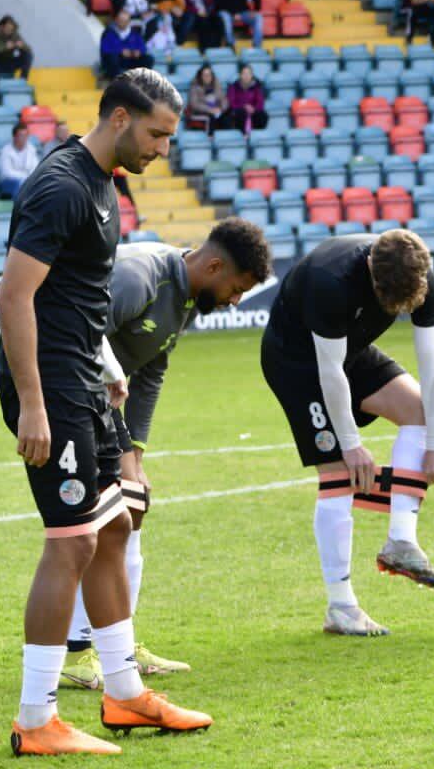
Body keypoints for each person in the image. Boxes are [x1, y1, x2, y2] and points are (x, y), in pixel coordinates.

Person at [0, 69, 208, 756]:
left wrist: (110, 368)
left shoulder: (104, 184)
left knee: (114, 525)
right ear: (119, 117)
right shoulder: (61, 186)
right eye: (155, 133)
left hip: (85, 381)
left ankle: (123, 693)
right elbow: (15, 297)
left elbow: (78, 296)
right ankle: (36, 720)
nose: (161, 150)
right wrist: (33, 403)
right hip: (51, 390)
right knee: (72, 541)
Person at [59, 222, 273, 690]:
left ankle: (120, 642)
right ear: (213, 266)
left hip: (101, 401)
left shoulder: (189, 297)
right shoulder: (139, 277)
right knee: (89, 521)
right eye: (236, 288)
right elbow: (75, 330)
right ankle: (76, 654)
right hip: (65, 391)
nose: (237, 299)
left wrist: (134, 451)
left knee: (132, 507)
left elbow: (151, 369)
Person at [259, 230, 434, 637]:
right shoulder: (330, 280)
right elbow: (328, 372)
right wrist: (350, 444)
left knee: (420, 413)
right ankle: (341, 606)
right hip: (298, 362)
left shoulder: (421, 275)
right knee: (337, 475)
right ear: (370, 271)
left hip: (350, 349)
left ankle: (401, 542)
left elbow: (433, 366)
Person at [99, 8, 151, 77]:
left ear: (129, 22)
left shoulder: (135, 33)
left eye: (125, 21)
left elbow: (143, 47)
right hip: (117, 60)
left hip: (131, 60)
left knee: (148, 59)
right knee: (112, 58)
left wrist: (138, 52)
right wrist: (120, 51)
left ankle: (142, 79)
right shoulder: (108, 33)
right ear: (116, 20)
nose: (123, 23)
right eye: (121, 21)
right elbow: (105, 50)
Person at [0, 123, 42, 198]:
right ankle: (19, 208)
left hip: (27, 180)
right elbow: (7, 173)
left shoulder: (31, 148)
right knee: (19, 184)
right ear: (14, 137)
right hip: (9, 182)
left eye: (26, 136)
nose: (24, 138)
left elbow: (35, 168)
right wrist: (24, 177)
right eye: (21, 135)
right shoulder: (6, 150)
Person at [221, 63, 268, 134]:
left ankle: (257, 134)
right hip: (238, 112)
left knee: (262, 115)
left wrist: (253, 108)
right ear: (240, 75)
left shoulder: (257, 87)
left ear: (252, 75)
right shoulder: (233, 87)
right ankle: (242, 134)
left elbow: (260, 102)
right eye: (244, 73)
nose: (246, 76)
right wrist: (244, 107)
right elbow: (231, 102)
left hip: (253, 111)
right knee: (240, 113)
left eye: (249, 73)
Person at [184, 63, 226, 131]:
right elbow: (194, 104)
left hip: (217, 111)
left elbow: (224, 100)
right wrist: (210, 110)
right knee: (211, 117)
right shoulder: (195, 86)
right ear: (200, 76)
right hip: (202, 113)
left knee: (226, 117)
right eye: (205, 75)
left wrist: (221, 108)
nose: (207, 77)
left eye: (209, 75)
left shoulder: (217, 85)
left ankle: (225, 138)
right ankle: (210, 138)